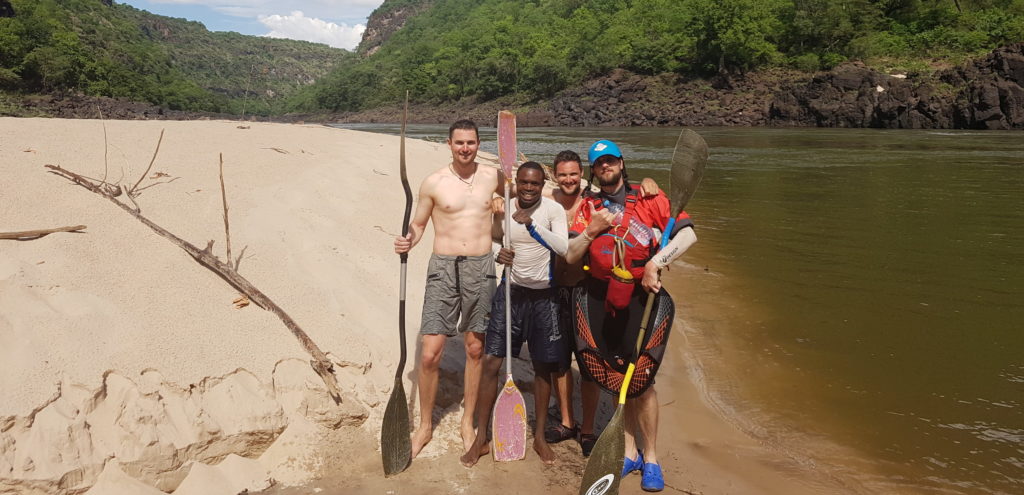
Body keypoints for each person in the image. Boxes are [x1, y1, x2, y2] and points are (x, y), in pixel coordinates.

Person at [564, 139, 697, 492]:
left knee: (644, 381)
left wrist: (657, 262)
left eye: (610, 161)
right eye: (599, 163)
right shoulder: (588, 206)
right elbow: (572, 255)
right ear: (593, 171)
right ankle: (628, 453)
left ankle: (651, 457)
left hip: (643, 296)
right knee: (614, 372)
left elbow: (688, 237)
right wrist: (592, 229)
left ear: (622, 164)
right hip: (599, 296)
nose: (605, 166)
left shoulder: (650, 197)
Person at [393, 119, 506, 458]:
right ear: (449, 144)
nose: (465, 148)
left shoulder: (494, 176)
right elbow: (418, 223)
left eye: (471, 143)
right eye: (459, 143)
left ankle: (467, 421)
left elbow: (532, 188)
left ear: (478, 144)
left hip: (482, 267)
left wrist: (502, 202)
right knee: (430, 352)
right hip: (442, 269)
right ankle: (425, 426)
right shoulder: (434, 182)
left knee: (475, 349)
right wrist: (407, 241)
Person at [544, 151, 663, 457]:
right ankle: (569, 422)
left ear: (583, 176)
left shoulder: (593, 200)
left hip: (590, 291)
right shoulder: (550, 198)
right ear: (554, 176)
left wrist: (647, 181)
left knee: (591, 362)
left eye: (574, 174)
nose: (568, 179)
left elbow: (634, 205)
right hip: (558, 289)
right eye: (562, 174)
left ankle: (588, 430)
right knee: (560, 361)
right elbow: (518, 193)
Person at [460, 162, 569, 467]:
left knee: (543, 366)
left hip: (544, 298)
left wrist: (532, 225)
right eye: (523, 183)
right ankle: (482, 438)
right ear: (516, 183)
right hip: (511, 293)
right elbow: (497, 237)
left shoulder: (552, 210)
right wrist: (501, 253)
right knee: (492, 361)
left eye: (534, 183)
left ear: (542, 183)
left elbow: (562, 247)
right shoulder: (506, 208)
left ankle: (539, 438)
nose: (529, 188)